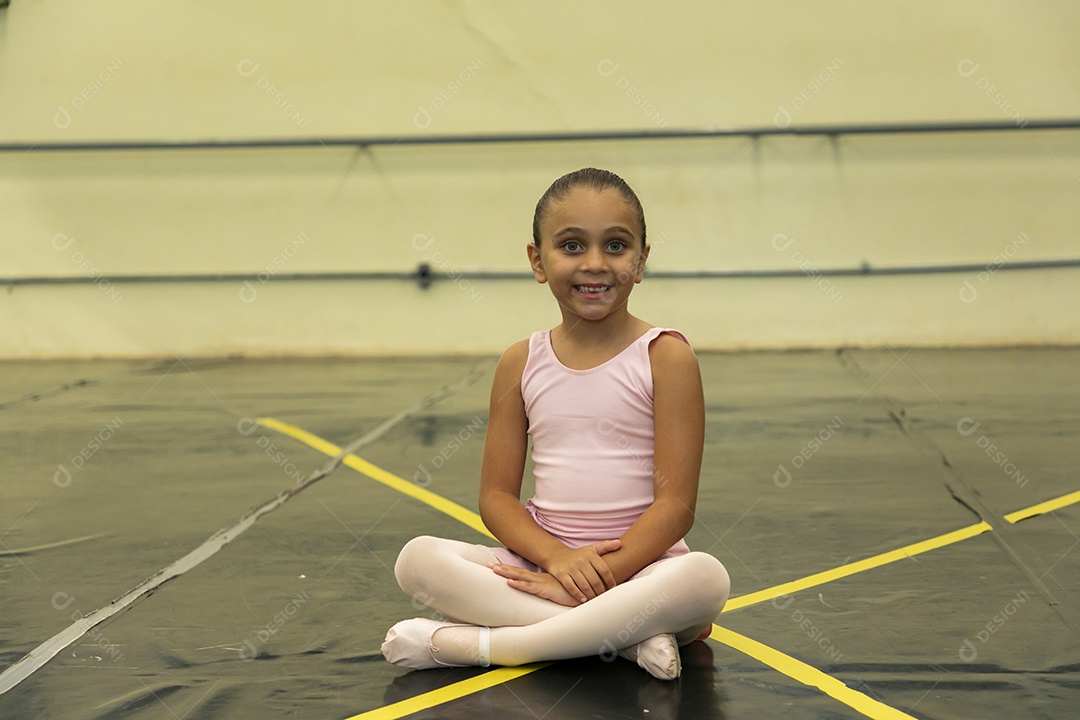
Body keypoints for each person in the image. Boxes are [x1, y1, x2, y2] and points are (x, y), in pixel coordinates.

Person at [382, 168, 730, 680]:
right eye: (571, 245)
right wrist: (559, 562)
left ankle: (471, 646)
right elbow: (497, 496)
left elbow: (676, 506)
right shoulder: (520, 361)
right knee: (418, 561)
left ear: (642, 260)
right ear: (537, 260)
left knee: (705, 578)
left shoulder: (666, 357)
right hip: (543, 564)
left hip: (644, 570)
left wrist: (607, 572)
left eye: (616, 245)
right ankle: (627, 641)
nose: (594, 263)